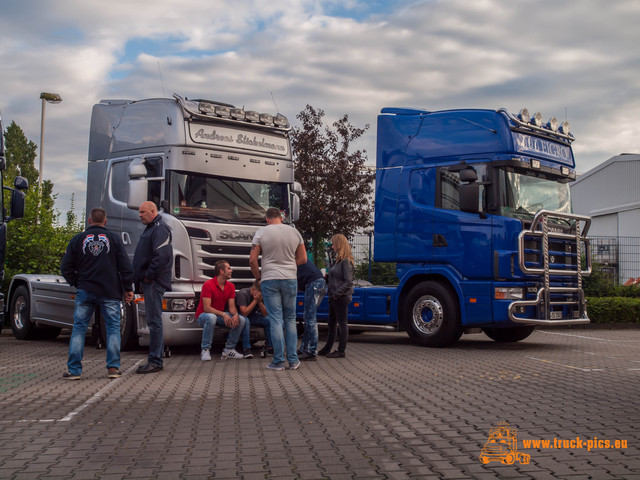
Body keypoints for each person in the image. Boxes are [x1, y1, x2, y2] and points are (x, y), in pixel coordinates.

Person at [61, 208, 134, 380]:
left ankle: (74, 371)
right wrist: (128, 289)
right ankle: (113, 368)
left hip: (85, 291)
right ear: (105, 221)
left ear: (89, 220)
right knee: (113, 329)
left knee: (78, 329)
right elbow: (125, 267)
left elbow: (66, 267)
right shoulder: (115, 240)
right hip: (110, 291)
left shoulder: (77, 240)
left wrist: (76, 282)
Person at [249, 207, 307, 371]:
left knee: (275, 319)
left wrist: (258, 278)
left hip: (270, 279)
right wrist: (288, 265)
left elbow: (253, 260)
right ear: (281, 217)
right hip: (290, 278)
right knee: (290, 319)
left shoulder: (261, 232)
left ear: (267, 219)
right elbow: (302, 258)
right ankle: (293, 360)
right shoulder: (294, 232)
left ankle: (278, 361)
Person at [133, 201, 173, 374]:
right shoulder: (151, 228)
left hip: (154, 282)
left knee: (154, 321)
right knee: (153, 320)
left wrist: (148, 277)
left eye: (143, 212)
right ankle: (156, 359)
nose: (140, 215)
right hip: (150, 282)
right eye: (140, 212)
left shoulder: (160, 229)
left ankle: (155, 360)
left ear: (153, 211)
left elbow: (161, 256)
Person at [196, 260, 246, 360]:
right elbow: (207, 308)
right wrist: (223, 314)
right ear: (221, 271)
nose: (231, 270)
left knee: (241, 320)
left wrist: (235, 314)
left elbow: (231, 306)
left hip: (219, 315)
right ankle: (205, 350)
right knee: (211, 317)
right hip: (204, 315)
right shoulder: (208, 284)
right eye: (229, 268)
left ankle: (229, 349)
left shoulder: (231, 286)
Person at [318, 234, 354, 359]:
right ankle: (327, 348)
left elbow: (348, 282)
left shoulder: (345, 261)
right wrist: (327, 278)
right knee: (331, 323)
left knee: (342, 323)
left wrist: (337, 294)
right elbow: (338, 278)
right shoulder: (338, 261)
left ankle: (341, 350)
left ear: (339, 244)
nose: (332, 246)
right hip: (334, 296)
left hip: (340, 297)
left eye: (333, 244)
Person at [297, 259, 327, 361]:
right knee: (308, 317)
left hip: (313, 284)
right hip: (319, 283)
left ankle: (311, 351)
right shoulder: (298, 257)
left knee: (310, 318)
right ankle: (304, 348)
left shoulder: (291, 259)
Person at [236, 280, 272, 357]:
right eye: (259, 292)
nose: (261, 295)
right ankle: (247, 349)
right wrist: (255, 300)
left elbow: (265, 313)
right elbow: (244, 313)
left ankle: (270, 347)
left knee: (269, 320)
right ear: (253, 289)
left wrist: (259, 302)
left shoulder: (262, 295)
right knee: (246, 321)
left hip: (252, 316)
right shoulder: (243, 294)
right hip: (239, 316)